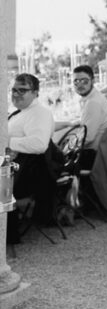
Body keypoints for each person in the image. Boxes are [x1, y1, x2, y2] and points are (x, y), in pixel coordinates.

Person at [6, 73, 56, 239]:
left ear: (35, 93)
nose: (15, 94)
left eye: (22, 90)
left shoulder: (38, 113)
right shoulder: (23, 112)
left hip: (27, 175)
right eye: (14, 90)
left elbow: (39, 144)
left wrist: (7, 142)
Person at [68, 65, 107, 169]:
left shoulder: (93, 103)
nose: (79, 84)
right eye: (76, 81)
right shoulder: (93, 98)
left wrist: (68, 144)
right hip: (99, 149)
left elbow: (87, 138)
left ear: (92, 81)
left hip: (95, 155)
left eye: (84, 81)